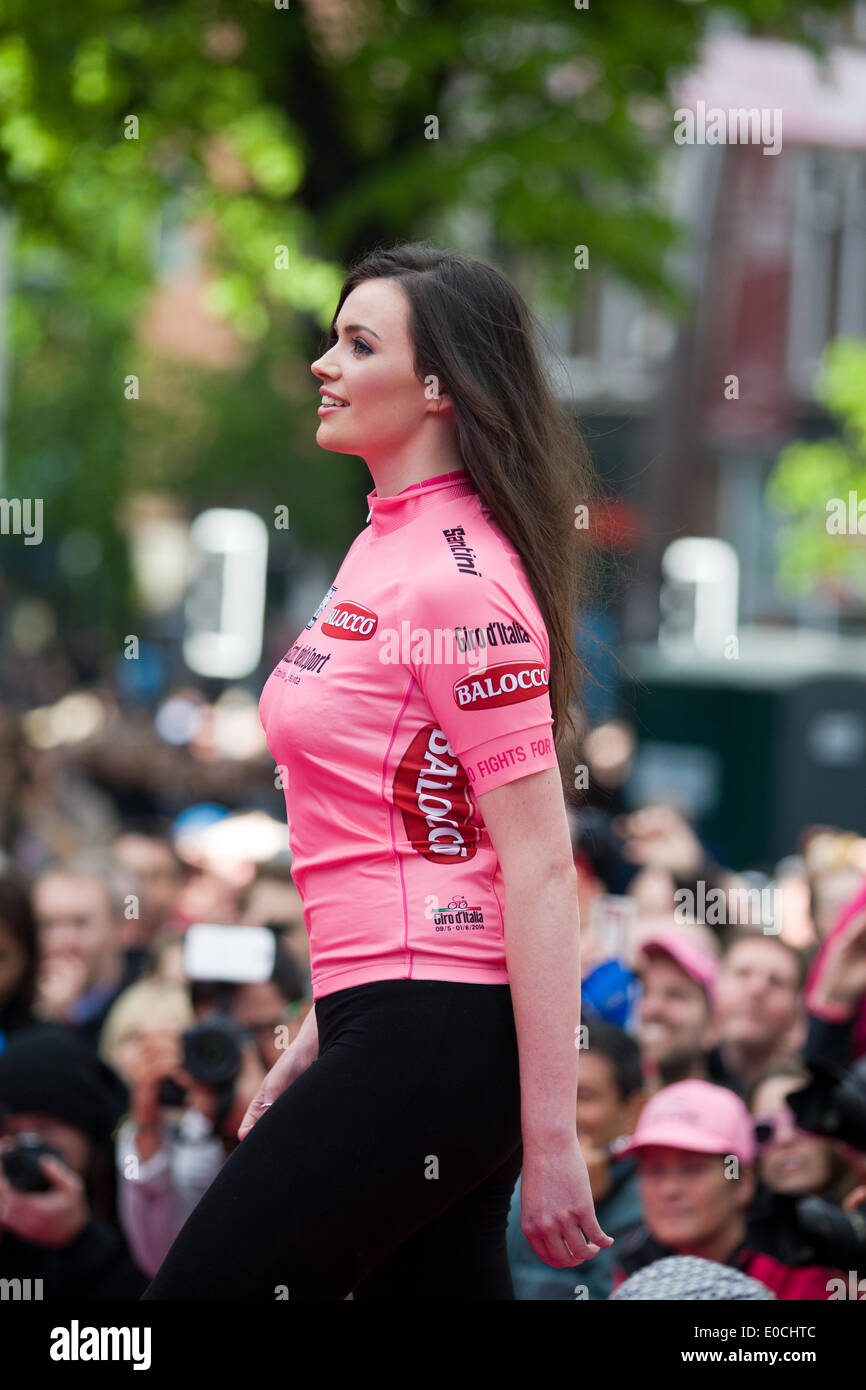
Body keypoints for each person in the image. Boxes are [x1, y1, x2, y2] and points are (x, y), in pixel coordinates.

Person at [142, 241, 612, 1300]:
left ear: (441, 386)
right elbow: (395, 828)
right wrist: (320, 1026)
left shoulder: (460, 581)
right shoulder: (378, 545)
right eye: (331, 338)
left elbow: (535, 863)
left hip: (433, 1030)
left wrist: (551, 1137)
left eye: (359, 343)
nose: (323, 362)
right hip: (392, 1016)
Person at [608, 1079, 845, 1300]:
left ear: (744, 1182)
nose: (669, 1190)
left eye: (692, 1169)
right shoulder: (629, 1266)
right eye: (654, 1170)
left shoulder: (804, 1271)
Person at [0, 1024, 147, 1298]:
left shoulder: (133, 1184)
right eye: (11, 1131)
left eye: (45, 1127)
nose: (27, 1144)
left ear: (88, 1130)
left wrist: (80, 1237)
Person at [507, 1020, 645, 1299]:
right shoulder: (513, 1183)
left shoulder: (654, 1199)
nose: (562, 1114)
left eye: (584, 1096)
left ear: (633, 1110)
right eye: (551, 1094)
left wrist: (575, 1216)